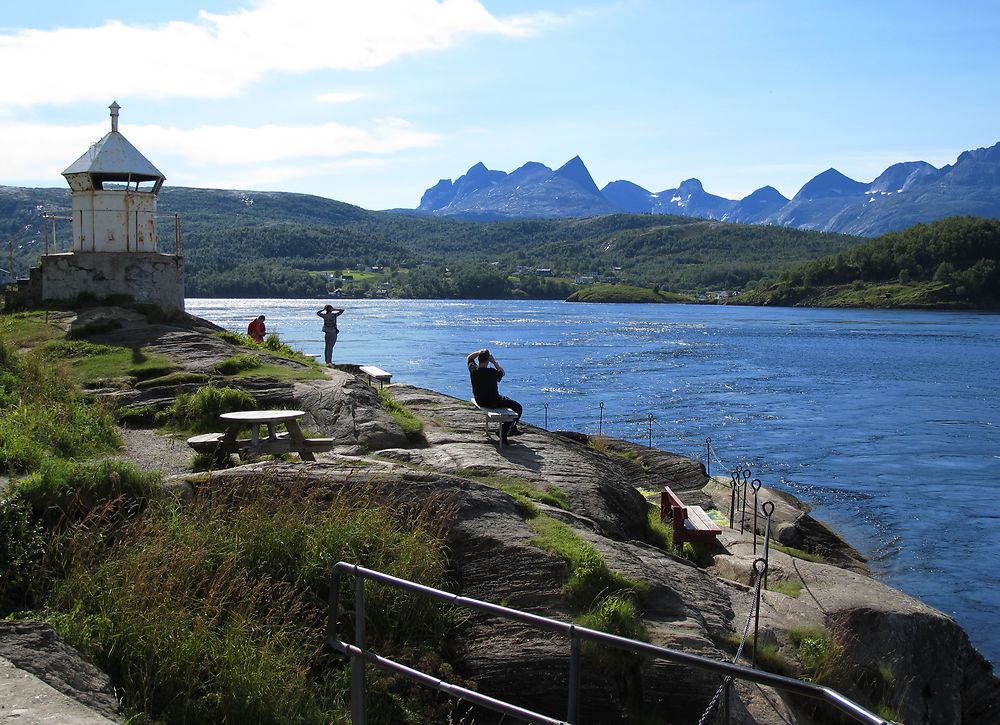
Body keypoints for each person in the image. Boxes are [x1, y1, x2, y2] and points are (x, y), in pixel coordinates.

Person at [467, 347, 523, 442]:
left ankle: (510, 430)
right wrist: (494, 362)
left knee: (507, 401)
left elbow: (469, 358)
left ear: (479, 359)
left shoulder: (473, 370)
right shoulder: (492, 372)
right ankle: (504, 431)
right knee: (518, 407)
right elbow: (502, 372)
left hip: (480, 401)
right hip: (494, 401)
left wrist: (479, 352)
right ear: (488, 360)